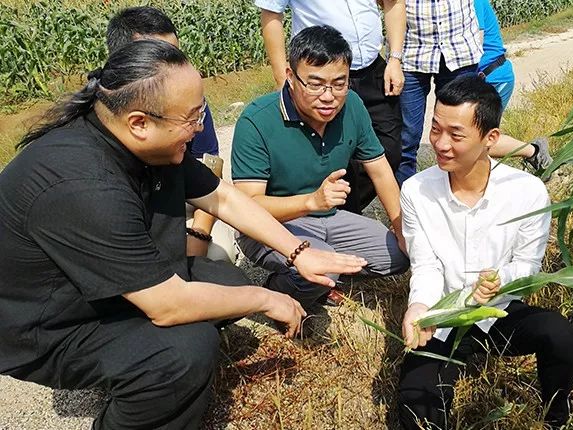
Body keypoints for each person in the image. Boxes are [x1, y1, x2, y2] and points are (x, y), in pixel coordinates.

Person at [0, 40, 366, 429]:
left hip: (98, 289)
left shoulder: (141, 142)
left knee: (224, 278)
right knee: (187, 350)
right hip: (50, 326)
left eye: (202, 113)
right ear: (139, 123)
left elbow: (220, 196)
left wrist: (297, 252)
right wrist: (266, 297)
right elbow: (169, 305)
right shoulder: (82, 182)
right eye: (192, 118)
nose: (201, 129)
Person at [397, 76, 573, 429]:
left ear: (490, 139)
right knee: (416, 404)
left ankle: (556, 417)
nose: (441, 144)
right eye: (435, 129)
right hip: (445, 317)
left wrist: (499, 282)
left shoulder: (526, 192)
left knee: (559, 335)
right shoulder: (417, 191)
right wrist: (420, 308)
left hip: (500, 311)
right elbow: (426, 265)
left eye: (456, 134)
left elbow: (527, 266)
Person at [232, 25, 409, 309]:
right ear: (290, 77)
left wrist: (401, 228)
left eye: (339, 83)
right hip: (271, 225)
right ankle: (279, 291)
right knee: (322, 269)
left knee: (399, 256)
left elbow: (380, 170)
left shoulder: (352, 105)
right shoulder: (256, 121)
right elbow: (246, 206)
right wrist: (311, 201)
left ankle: (320, 276)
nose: (329, 96)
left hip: (330, 218)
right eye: (315, 84)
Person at [257, 0, 406, 213]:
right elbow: (271, 14)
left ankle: (338, 212)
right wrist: (283, 78)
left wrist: (395, 59)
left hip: (374, 69)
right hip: (320, 75)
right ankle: (316, 211)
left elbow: (394, 3)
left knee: (388, 150)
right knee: (328, 150)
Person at [107, 6, 227, 259]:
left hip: (184, 205)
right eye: (159, 57)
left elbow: (211, 168)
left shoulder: (188, 101)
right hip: (124, 218)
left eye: (176, 56)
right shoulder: (98, 114)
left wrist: (200, 232)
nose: (174, 68)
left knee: (219, 256)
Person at [396, 0, 483, 185]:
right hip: (411, 52)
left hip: (459, 50)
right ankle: (406, 207)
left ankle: (457, 195)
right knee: (405, 139)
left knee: (461, 133)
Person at [473, 0, 553, 173]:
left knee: (479, 140)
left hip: (493, 76)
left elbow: (475, 40)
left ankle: (534, 151)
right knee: (472, 138)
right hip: (484, 75)